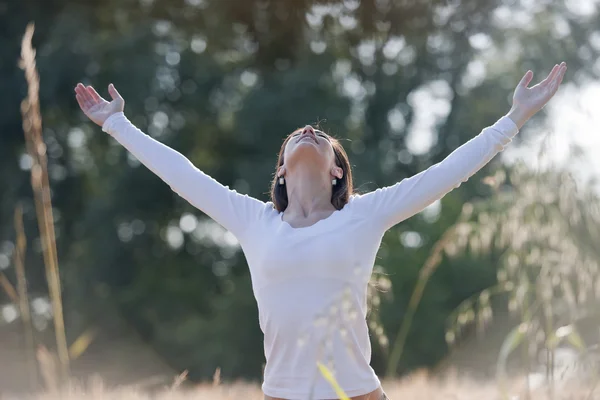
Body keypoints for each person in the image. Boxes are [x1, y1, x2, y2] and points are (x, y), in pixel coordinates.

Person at [75, 62, 567, 400]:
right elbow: (181, 173)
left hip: (354, 392)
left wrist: (514, 118)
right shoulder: (253, 220)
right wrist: (118, 126)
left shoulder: (364, 215)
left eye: (323, 138)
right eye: (297, 136)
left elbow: (445, 173)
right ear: (282, 170)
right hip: (281, 393)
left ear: (337, 170)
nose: (309, 132)